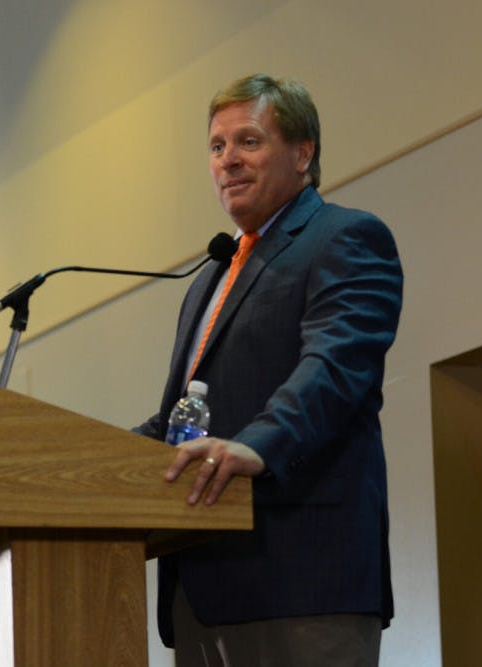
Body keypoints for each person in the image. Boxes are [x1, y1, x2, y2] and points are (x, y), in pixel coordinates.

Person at [134, 74, 403, 666]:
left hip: (302, 582)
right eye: (216, 146)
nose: (228, 160)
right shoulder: (210, 276)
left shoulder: (346, 238)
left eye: (248, 142)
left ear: (302, 153)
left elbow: (334, 368)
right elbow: (183, 416)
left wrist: (258, 446)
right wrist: (91, 461)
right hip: (200, 590)